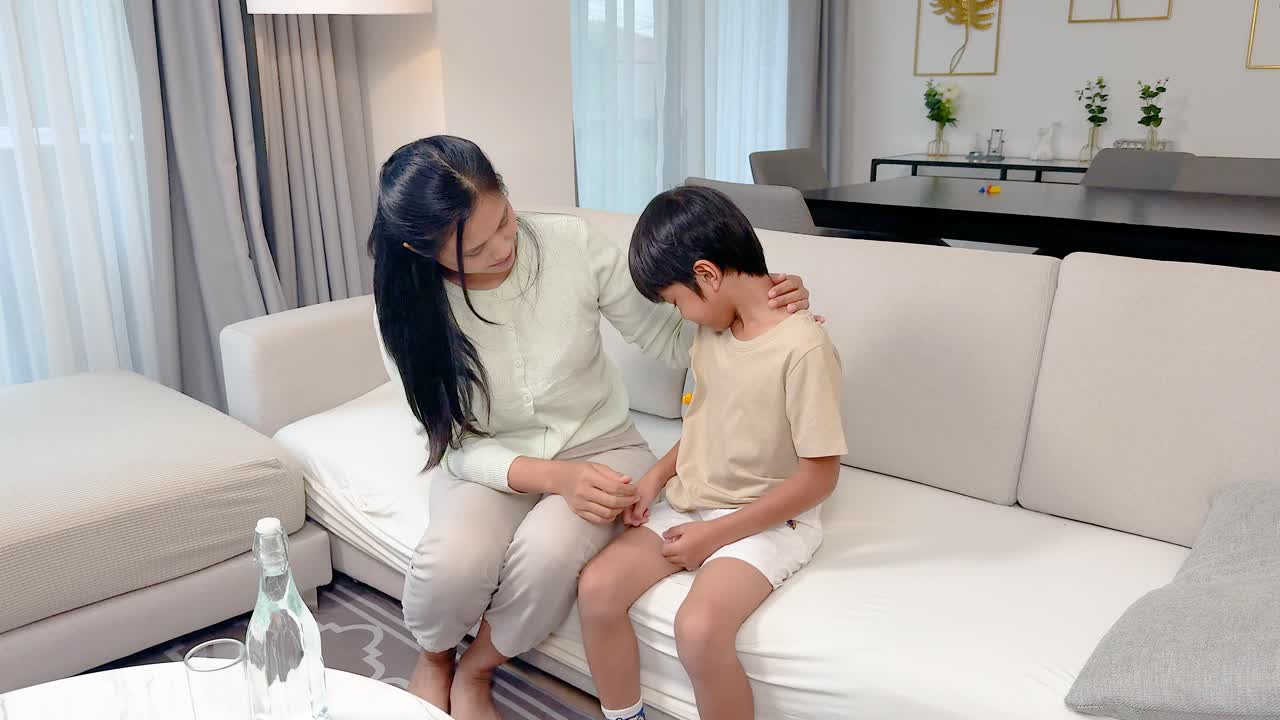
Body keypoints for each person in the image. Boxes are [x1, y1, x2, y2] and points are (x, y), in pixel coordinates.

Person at [368, 136, 814, 720]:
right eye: (475, 249)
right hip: (491, 459)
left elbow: (669, 334)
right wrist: (553, 477)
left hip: (602, 443)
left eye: (504, 220)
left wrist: (753, 309)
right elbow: (449, 443)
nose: (504, 248)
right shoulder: (407, 307)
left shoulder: (568, 243)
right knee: (454, 563)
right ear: (421, 250)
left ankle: (478, 669)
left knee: (550, 556)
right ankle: (434, 660)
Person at [576, 185, 847, 720]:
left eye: (677, 302)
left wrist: (713, 537)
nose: (683, 316)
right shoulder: (715, 333)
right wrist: (654, 479)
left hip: (769, 521)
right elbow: (709, 426)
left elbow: (819, 479)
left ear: (707, 274)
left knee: (698, 630)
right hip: (691, 501)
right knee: (598, 589)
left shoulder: (803, 347)